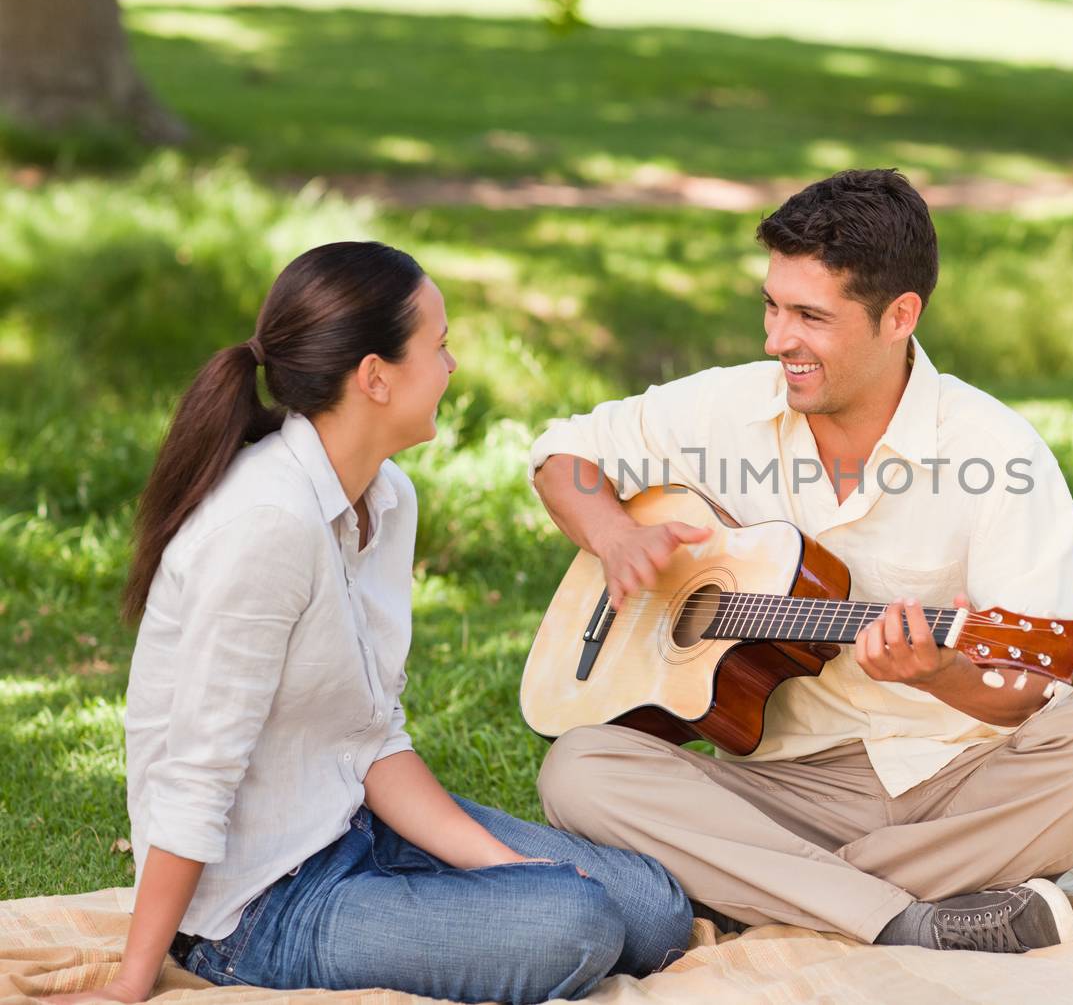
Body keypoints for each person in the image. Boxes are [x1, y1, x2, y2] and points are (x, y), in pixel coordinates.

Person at [529, 169, 1073, 954]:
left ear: (900, 315)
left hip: (962, 777)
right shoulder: (723, 407)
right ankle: (909, 917)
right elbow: (563, 453)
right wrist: (616, 536)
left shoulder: (999, 453)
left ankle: (783, 889)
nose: (775, 340)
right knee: (580, 769)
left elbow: (1033, 686)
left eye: (809, 316)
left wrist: (942, 674)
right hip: (784, 782)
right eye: (771, 304)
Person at [47, 242, 692, 1005]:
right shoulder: (265, 525)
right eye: (439, 345)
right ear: (375, 377)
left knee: (654, 910)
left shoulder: (387, 499)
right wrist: (130, 980)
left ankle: (523, 898)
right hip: (258, 909)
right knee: (578, 923)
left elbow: (372, 734)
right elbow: (195, 772)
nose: (452, 365)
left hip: (355, 828)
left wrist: (501, 867)